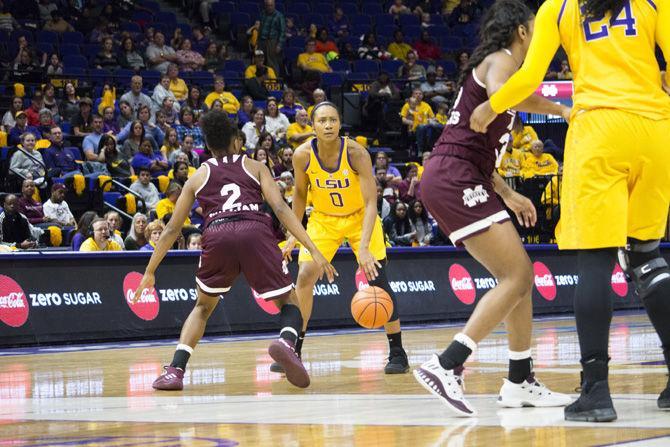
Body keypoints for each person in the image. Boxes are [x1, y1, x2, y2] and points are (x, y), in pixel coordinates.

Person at [469, 0, 670, 422]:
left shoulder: (558, 8)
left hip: (599, 133)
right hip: (655, 131)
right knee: (647, 257)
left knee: (596, 259)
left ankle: (596, 391)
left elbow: (528, 76)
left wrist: (492, 106)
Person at [414, 0, 572, 417]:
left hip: (464, 174)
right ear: (522, 31)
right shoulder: (502, 61)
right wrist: (559, 108)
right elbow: (508, 96)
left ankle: (519, 380)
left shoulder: (498, 67)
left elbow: (477, 143)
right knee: (518, 274)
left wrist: (508, 193)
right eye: (535, 28)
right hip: (454, 177)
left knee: (518, 279)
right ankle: (446, 364)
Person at [133, 109, 336, 391]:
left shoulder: (198, 176)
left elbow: (170, 230)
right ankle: (286, 342)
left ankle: (175, 371)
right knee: (289, 303)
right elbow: (280, 208)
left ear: (208, 145)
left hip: (217, 235)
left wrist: (150, 271)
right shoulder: (255, 166)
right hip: (255, 232)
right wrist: (312, 247)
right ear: (236, 141)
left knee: (203, 307)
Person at [281, 102, 410, 375]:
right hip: (324, 219)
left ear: (340, 124)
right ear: (312, 126)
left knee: (378, 278)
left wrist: (363, 248)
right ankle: (295, 350)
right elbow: (301, 196)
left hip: (360, 216)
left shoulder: (356, 153)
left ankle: (397, 350)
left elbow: (372, 203)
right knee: (304, 276)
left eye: (333, 120)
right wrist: (294, 235)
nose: (328, 125)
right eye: (322, 121)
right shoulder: (302, 155)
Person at [257, 0, 286, 75]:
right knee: (260, 60)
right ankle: (261, 78)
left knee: (272, 62)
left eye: (271, 5)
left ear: (274, 5)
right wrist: (258, 41)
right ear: (265, 6)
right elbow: (261, 28)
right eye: (268, 5)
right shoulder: (263, 13)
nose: (269, 7)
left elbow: (282, 32)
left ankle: (274, 80)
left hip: (272, 41)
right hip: (262, 41)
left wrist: (279, 45)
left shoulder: (279, 16)